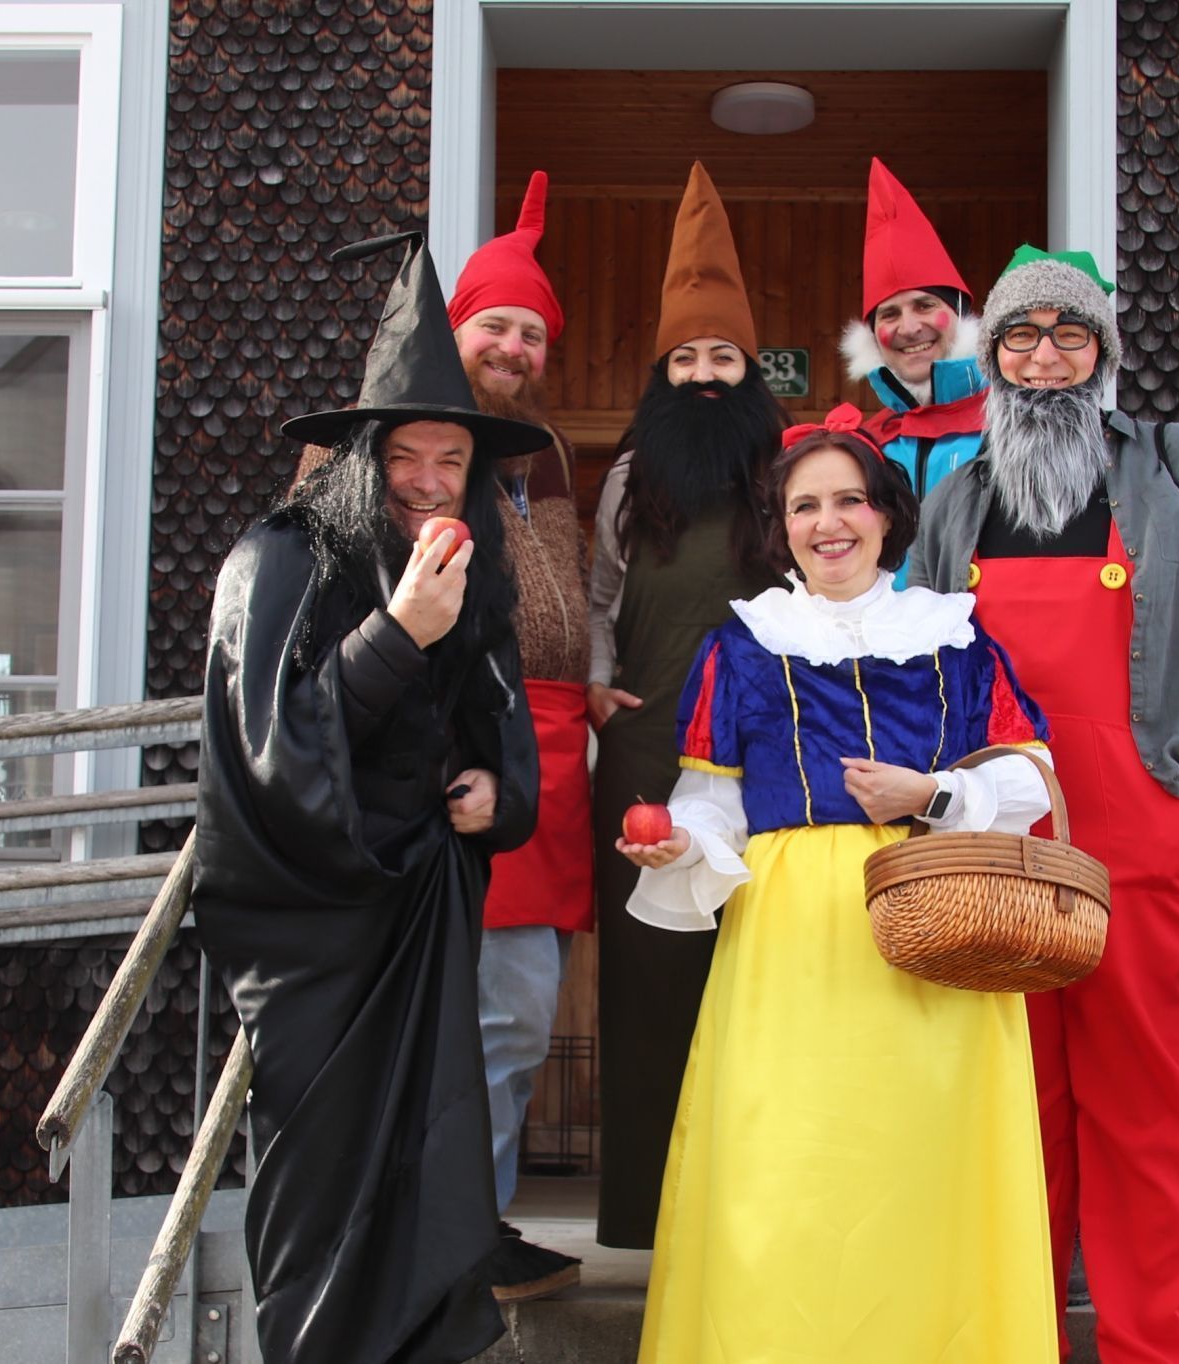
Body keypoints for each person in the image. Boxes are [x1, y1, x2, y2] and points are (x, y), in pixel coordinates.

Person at [619, 405, 1061, 1363]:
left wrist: (936, 792)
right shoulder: (741, 647)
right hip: (791, 948)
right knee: (786, 1172)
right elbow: (709, 806)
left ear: (886, 517)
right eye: (805, 505)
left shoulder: (956, 639)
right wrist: (679, 851)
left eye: (849, 501)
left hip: (933, 927)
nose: (829, 522)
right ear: (780, 527)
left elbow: (1031, 777)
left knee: (928, 1175)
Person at [910, 246, 1179, 1364]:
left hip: (1138, 823)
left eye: (1070, 333)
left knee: (1141, 1096)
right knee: (1014, 1100)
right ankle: (1014, 1332)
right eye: (1021, 336)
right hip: (995, 830)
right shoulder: (957, 495)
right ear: (996, 358)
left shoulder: (1173, 467)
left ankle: (1148, 1340)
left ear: (1101, 353)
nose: (1044, 355)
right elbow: (919, 658)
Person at [193, 231, 547, 1364]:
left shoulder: (470, 570)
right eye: (411, 455)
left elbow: (502, 717)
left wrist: (506, 792)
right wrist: (397, 636)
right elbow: (272, 751)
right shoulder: (279, 562)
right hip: (316, 934)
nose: (434, 480)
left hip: (421, 916)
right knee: (325, 1175)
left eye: (454, 460)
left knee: (429, 1167)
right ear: (363, 456)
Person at [586, 161, 786, 1249]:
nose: (704, 375)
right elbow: (599, 597)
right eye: (685, 358)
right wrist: (597, 685)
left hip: (766, 753)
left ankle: (752, 1207)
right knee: (651, 972)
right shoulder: (628, 478)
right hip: (649, 749)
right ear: (662, 372)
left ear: (748, 369)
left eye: (722, 357)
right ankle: (650, 1210)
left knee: (760, 969)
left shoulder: (787, 475)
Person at [444, 169, 589, 1301]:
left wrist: (603, 684)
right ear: (456, 329)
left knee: (516, 1019)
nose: (512, 344)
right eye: (495, 322)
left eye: (530, 331)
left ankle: (472, 1226)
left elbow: (567, 604)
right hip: (449, 761)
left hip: (546, 771)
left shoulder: (541, 459)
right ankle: (433, 1237)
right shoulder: (402, 445)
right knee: (463, 1014)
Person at [838, 158, 987, 548]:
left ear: (958, 314)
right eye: (890, 314)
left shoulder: (1014, 425)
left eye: (924, 306)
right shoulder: (868, 444)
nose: (908, 328)